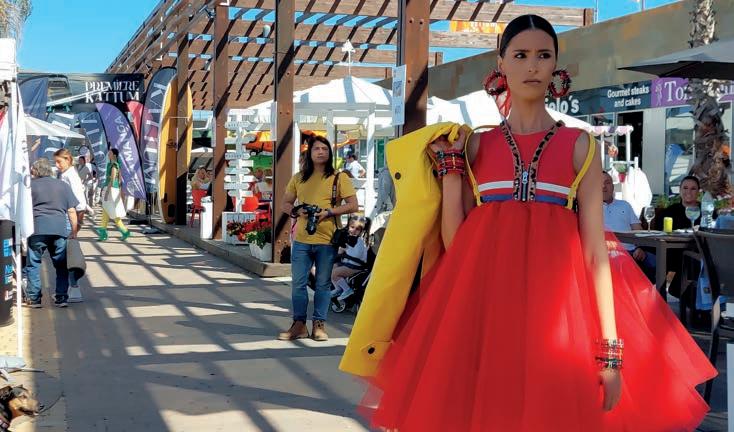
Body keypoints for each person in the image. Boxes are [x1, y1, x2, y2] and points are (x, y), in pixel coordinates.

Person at [340, 15, 715, 431]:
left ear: (556, 65)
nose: (532, 65)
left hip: (561, 315)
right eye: (520, 55)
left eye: (543, 55)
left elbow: (596, 252)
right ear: (501, 64)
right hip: (482, 312)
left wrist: (610, 352)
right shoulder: (474, 144)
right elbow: (457, 242)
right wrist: (451, 173)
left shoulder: (581, 146)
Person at [279, 134, 358, 342]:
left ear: (330, 153)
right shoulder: (299, 178)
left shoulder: (339, 178)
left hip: (327, 240)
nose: (321, 152)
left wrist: (329, 212)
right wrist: (297, 211)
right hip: (302, 240)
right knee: (298, 283)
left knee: (323, 284)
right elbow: (285, 204)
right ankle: (298, 325)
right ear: (310, 153)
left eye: (324, 149)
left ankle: (319, 325)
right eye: (316, 149)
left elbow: (353, 205)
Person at [25, 159, 78, 308]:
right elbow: (72, 211)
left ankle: (34, 299)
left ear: (35, 171)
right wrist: (74, 231)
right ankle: (61, 297)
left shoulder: (30, 186)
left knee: (33, 264)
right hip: (59, 229)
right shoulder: (63, 185)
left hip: (37, 229)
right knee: (61, 265)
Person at [601, 171, 655, 280]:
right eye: (599, 184)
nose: (603, 187)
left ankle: (658, 290)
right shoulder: (589, 208)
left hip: (632, 252)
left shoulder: (625, 205)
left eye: (607, 182)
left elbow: (638, 231)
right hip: (607, 253)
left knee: (660, 262)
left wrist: (640, 248)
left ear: (613, 186)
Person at [95, 148, 130, 241]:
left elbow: (113, 179)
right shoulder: (110, 164)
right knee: (106, 210)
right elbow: (118, 180)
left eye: (110, 153)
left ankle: (122, 231)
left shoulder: (114, 165)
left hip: (111, 189)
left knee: (111, 211)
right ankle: (104, 231)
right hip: (110, 188)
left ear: (114, 155)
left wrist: (107, 191)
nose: (108, 154)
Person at [331, 216, 369, 301]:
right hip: (348, 263)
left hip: (356, 266)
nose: (354, 230)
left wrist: (346, 249)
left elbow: (356, 255)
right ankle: (338, 289)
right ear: (348, 227)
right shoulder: (349, 239)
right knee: (331, 268)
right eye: (352, 227)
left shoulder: (359, 241)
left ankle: (347, 290)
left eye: (357, 229)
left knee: (334, 274)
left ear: (361, 231)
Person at [54, 149, 88, 226]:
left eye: (59, 162)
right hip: (66, 211)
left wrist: (79, 213)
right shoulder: (65, 173)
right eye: (55, 162)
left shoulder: (70, 174)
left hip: (71, 213)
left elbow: (77, 194)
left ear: (68, 160)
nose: (56, 165)